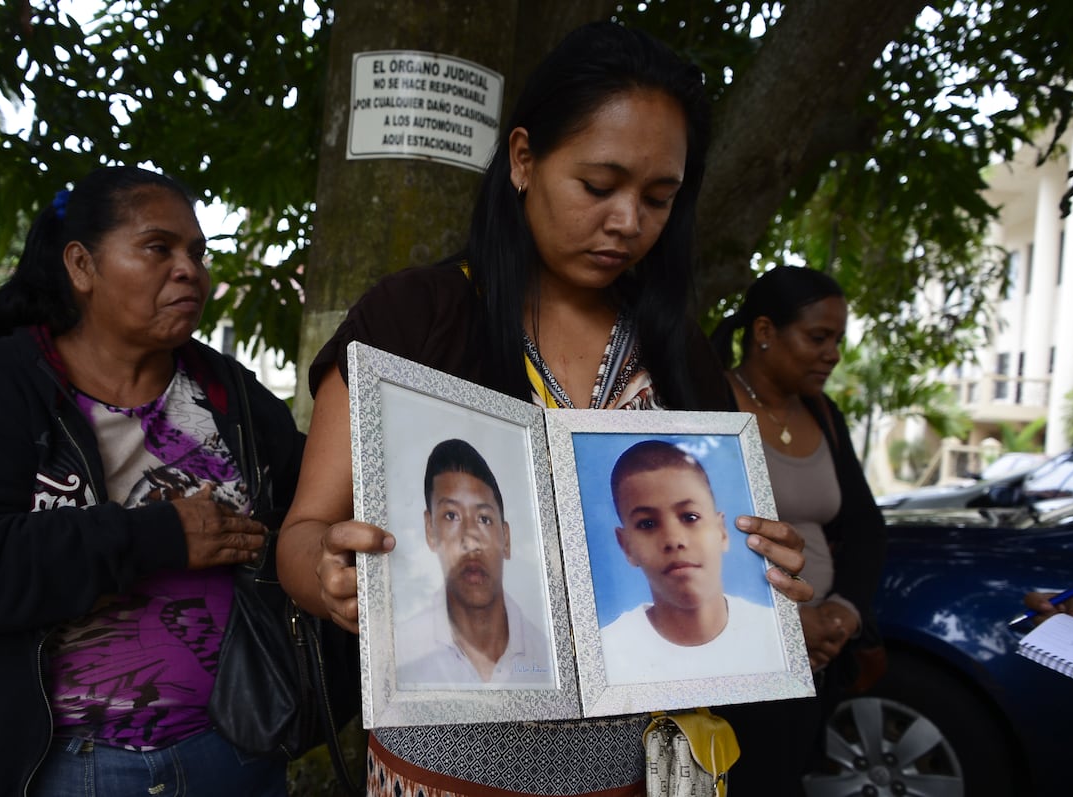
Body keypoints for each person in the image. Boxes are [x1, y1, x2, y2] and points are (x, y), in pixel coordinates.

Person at [278, 20, 813, 797]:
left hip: (638, 774)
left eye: (658, 198)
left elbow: (726, 528)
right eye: (599, 187)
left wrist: (769, 563)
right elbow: (300, 534)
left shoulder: (676, 350)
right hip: (446, 775)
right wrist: (325, 570)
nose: (628, 222)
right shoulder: (415, 319)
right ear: (524, 159)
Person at [0, 166, 305, 797]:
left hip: (236, 753)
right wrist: (156, 538)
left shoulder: (233, 397)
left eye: (198, 253)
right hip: (57, 767)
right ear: (81, 266)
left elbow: (314, 509)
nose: (189, 270)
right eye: (158, 247)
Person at [710, 265, 886, 796]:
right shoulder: (707, 402)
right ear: (764, 331)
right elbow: (698, 533)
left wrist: (842, 613)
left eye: (837, 339)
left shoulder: (824, 413)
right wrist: (787, 626)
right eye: (818, 337)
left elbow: (865, 527)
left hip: (821, 654)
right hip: (738, 657)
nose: (832, 353)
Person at [601, 439, 783, 685]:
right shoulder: (606, 654)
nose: (674, 540)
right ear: (626, 546)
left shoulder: (776, 635)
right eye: (647, 524)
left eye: (690, 516)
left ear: (722, 532)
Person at [395, 438, 553, 688]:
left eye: (484, 519)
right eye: (451, 516)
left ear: (506, 539)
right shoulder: (399, 653)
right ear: (430, 530)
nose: (470, 538)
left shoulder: (550, 657)